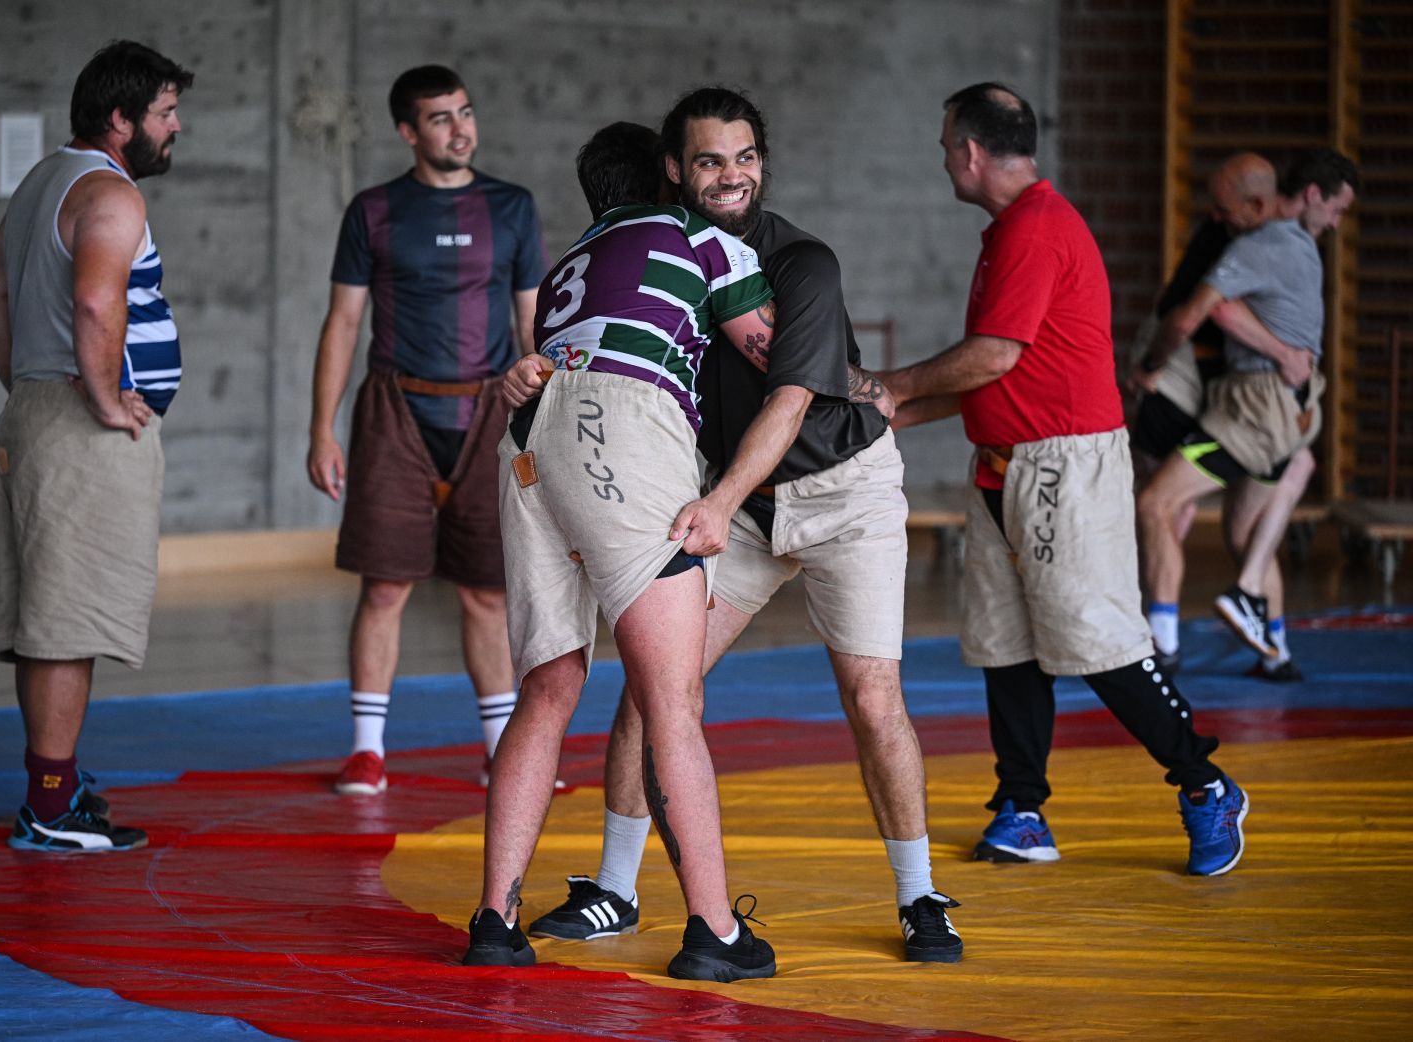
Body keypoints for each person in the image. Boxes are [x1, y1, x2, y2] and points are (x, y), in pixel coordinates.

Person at [527, 87, 965, 964]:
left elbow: (791, 400)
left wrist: (718, 502)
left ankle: (921, 896)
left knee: (873, 697)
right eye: (709, 161)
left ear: (763, 162)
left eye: (745, 157)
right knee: (655, 687)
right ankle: (616, 887)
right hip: (741, 505)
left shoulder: (802, 262)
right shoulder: (664, 256)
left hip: (840, 492)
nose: (731, 176)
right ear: (673, 170)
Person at [881, 82, 1247, 877]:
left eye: (945, 146)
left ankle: (1205, 782)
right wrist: (893, 412)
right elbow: (1004, 372)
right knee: (1006, 646)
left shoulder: (1036, 228)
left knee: (1100, 641)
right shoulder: (1010, 229)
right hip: (1003, 466)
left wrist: (893, 386)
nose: (943, 160)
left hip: (1064, 467)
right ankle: (1023, 808)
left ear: (971, 152)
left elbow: (992, 355)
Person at [462, 121, 781, 981]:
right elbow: (776, 355)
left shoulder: (568, 263)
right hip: (620, 432)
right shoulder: (699, 237)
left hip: (529, 445)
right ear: (670, 175)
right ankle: (713, 930)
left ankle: (495, 920)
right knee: (672, 701)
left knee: (547, 688)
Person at [0, 40, 194, 852]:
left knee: (49, 615)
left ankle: (57, 783)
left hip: (34, 415)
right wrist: (102, 398)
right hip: (80, 432)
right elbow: (99, 301)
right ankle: (49, 807)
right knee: (67, 622)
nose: (176, 127)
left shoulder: (43, 182)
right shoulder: (110, 192)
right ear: (121, 118)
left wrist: (26, 382)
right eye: (165, 113)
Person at [306, 66, 546, 796]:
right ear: (408, 131)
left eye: (465, 112)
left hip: (490, 412)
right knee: (384, 587)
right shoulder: (374, 210)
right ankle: (367, 751)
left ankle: (500, 750)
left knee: (487, 593)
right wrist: (321, 429)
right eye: (440, 118)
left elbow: (532, 322)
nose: (459, 128)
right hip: (396, 412)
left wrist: (546, 424)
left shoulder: (512, 206)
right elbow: (343, 321)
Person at [1135, 149, 1359, 674]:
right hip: (1289, 410)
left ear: (1259, 204)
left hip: (1255, 410)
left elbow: (1200, 314)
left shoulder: (1262, 243)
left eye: (1223, 209)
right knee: (1246, 527)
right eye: (1337, 211)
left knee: (1157, 504)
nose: (1215, 218)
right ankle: (1275, 648)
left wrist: (1148, 367)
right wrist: (1284, 354)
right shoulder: (1298, 245)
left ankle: (1163, 644)